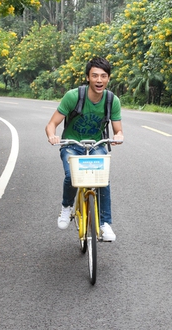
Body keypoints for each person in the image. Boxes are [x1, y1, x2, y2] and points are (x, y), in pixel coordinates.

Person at [45, 57, 123, 241]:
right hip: (72, 145)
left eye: (103, 76)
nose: (99, 80)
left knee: (101, 180)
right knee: (72, 176)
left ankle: (105, 224)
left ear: (108, 79)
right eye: (95, 75)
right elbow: (51, 124)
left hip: (97, 145)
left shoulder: (112, 100)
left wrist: (119, 136)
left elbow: (118, 129)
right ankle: (66, 207)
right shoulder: (73, 96)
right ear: (87, 77)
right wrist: (52, 136)